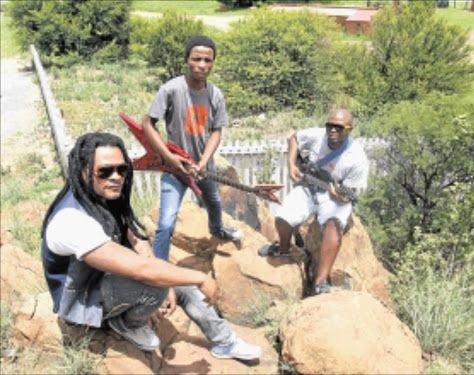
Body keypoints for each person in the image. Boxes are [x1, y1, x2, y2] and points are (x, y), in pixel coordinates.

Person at [41, 132, 262, 360]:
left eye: (122, 169)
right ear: (83, 171)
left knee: (177, 281)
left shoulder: (102, 199)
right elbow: (142, 270)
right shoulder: (71, 220)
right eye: (105, 171)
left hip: (102, 279)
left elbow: (137, 240)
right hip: (83, 299)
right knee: (157, 284)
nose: (116, 177)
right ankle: (128, 323)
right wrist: (200, 277)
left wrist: (172, 278)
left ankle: (225, 341)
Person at [141, 34, 241, 262]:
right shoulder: (171, 89)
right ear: (187, 59)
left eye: (208, 60)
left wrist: (204, 162)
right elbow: (147, 123)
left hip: (203, 168)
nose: (202, 65)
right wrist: (169, 158)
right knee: (166, 222)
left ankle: (217, 230)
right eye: (197, 59)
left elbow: (217, 130)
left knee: (213, 202)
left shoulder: (215, 94)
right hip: (175, 169)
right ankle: (159, 269)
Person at [258, 109, 369, 295]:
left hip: (333, 196)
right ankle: (283, 248)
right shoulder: (317, 135)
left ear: (349, 130)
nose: (333, 130)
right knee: (282, 218)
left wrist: (340, 197)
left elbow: (351, 193)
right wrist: (292, 165)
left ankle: (320, 281)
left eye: (339, 127)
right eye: (330, 125)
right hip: (309, 188)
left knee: (333, 226)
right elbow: (294, 138)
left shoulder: (356, 158)